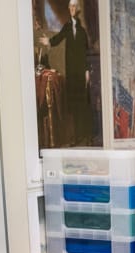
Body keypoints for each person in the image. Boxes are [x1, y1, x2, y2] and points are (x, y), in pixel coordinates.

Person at [39, 0, 92, 145]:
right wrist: (48, 41)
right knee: (74, 105)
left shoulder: (81, 30)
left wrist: (87, 70)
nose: (72, 9)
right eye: (70, 6)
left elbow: (85, 51)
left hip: (81, 72)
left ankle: (85, 136)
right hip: (72, 71)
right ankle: (76, 137)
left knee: (83, 104)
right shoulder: (68, 26)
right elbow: (58, 38)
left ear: (78, 9)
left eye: (74, 6)